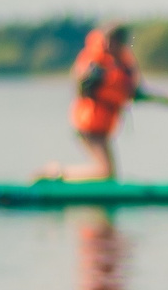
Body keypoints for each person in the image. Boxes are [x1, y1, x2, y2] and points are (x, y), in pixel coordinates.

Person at [39, 22, 141, 183]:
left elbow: (131, 88)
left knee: (108, 174)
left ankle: (63, 177)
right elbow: (80, 81)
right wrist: (93, 78)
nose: (110, 45)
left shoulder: (122, 62)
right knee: (106, 172)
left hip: (103, 126)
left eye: (116, 42)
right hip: (89, 125)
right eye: (109, 40)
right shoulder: (94, 60)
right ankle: (55, 173)